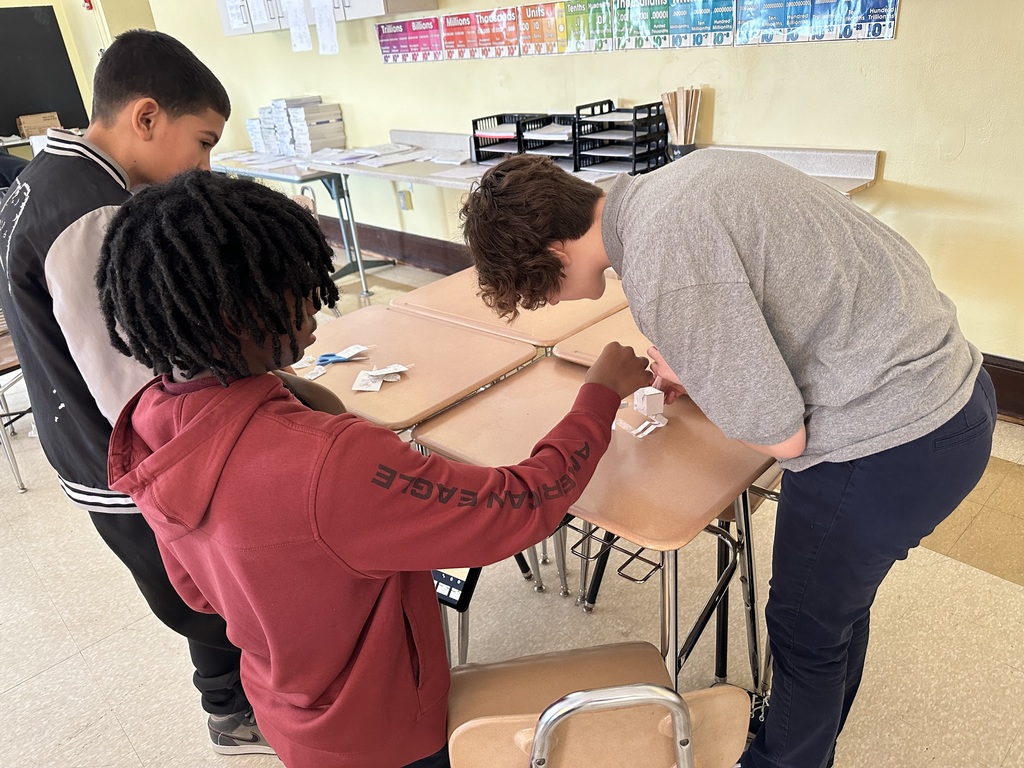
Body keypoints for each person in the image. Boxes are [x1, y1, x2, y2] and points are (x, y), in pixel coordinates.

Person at [97, 170, 653, 768]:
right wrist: (598, 395)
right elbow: (517, 507)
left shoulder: (152, 424)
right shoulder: (327, 464)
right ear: (237, 314)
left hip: (287, 715)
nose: (317, 300)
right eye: (294, 287)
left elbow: (198, 596)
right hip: (383, 734)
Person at [459, 151, 997, 768]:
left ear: (552, 254)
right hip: (948, 389)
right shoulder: (676, 184)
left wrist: (719, 384)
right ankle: (810, 742)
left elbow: (782, 437)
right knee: (835, 610)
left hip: (891, 439)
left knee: (803, 626)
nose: (547, 305)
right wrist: (712, 369)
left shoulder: (663, 264)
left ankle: (784, 758)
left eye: (536, 292)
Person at [0, 30, 271, 754]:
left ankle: (232, 703)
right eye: (203, 142)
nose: (205, 166)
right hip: (121, 457)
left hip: (82, 440)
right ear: (146, 117)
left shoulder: (47, 170)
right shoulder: (90, 214)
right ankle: (239, 713)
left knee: (200, 587)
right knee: (207, 594)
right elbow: (135, 387)